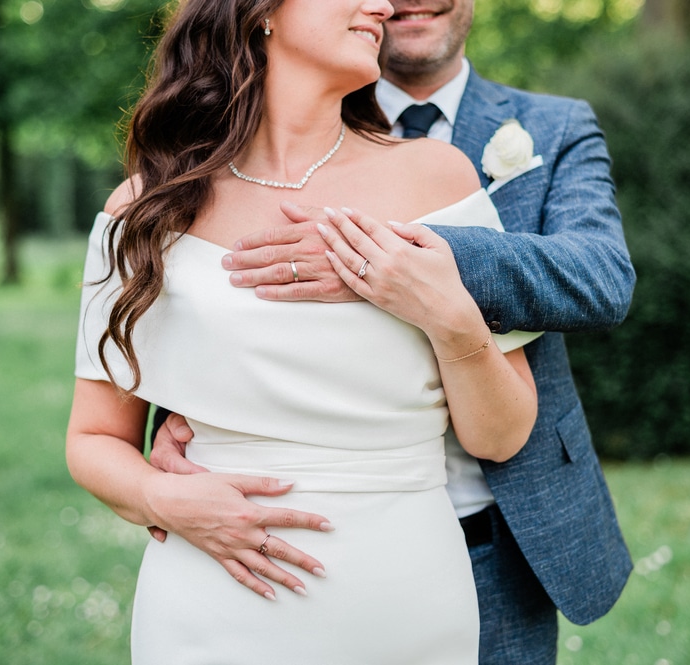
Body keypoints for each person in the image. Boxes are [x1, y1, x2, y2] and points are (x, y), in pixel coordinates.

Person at [148, 0, 636, 663]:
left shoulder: (550, 126)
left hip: (500, 532)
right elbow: (211, 301)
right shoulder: (260, 138)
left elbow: (602, 274)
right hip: (293, 544)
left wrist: (394, 256)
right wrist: (181, 439)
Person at [66, 0, 542, 663]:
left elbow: (504, 431)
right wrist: (163, 496)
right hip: (210, 604)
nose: (383, 5)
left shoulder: (436, 177)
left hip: (406, 600)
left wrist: (444, 311)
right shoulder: (148, 207)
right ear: (259, 12)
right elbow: (92, 438)